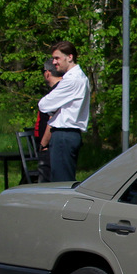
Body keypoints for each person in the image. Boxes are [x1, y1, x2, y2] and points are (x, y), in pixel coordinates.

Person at [38, 41, 90, 183]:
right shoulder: (78, 77)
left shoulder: (72, 80)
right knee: (62, 180)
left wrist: (54, 108)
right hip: (68, 134)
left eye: (57, 58)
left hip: (64, 134)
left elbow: (44, 105)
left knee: (61, 182)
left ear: (70, 57)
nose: (54, 62)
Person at [32, 59, 63, 183]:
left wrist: (43, 144)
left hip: (50, 145)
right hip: (54, 144)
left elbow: (52, 119)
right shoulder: (61, 89)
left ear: (47, 73)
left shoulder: (57, 92)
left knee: (46, 182)